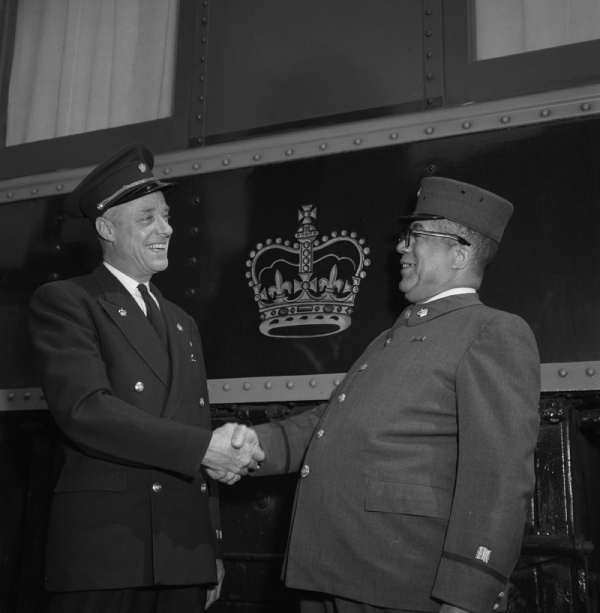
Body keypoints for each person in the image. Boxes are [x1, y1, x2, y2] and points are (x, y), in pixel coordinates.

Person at [229, 177, 541, 613]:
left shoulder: (493, 331)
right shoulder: (394, 334)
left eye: (416, 236)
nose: (400, 248)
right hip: (333, 571)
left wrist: (468, 596)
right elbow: (335, 423)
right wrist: (256, 444)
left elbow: (500, 477)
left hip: (397, 582)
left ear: (460, 252)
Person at [29, 143, 264, 613]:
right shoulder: (67, 301)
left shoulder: (181, 320)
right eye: (147, 218)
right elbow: (86, 411)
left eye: (167, 216)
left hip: (181, 550)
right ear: (105, 228)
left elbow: (197, 424)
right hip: (108, 550)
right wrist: (202, 449)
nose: (166, 229)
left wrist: (210, 548)